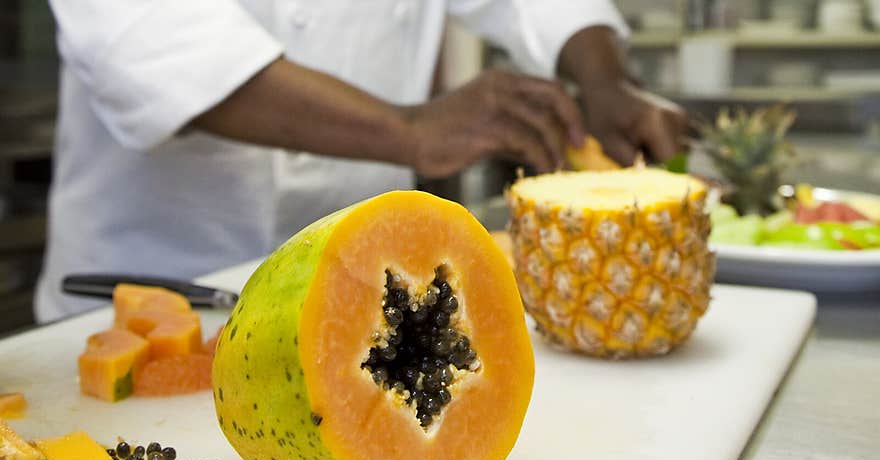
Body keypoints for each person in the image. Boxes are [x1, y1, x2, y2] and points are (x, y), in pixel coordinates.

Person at [37, 0, 688, 322]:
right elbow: (148, 42)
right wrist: (408, 128)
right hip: (161, 290)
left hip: (365, 295)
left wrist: (603, 80)